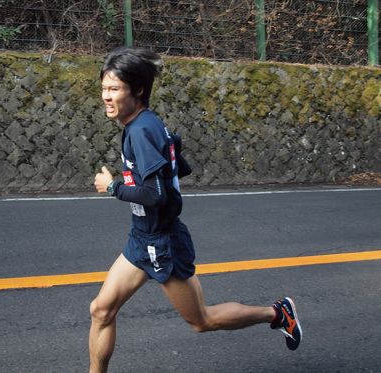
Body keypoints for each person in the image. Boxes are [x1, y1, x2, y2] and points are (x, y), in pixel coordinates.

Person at [90, 47, 302, 372]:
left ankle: (277, 313)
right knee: (101, 310)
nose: (106, 96)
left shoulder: (142, 130)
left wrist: (113, 187)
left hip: (162, 242)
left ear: (138, 90)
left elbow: (157, 194)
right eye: (104, 88)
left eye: (114, 89)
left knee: (202, 321)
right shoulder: (146, 125)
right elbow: (178, 166)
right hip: (142, 237)